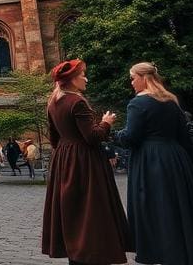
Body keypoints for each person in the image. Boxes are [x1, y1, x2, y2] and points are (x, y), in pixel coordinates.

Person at [113, 62, 193, 265]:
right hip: (176, 159)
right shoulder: (171, 100)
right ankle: (186, 252)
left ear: (144, 78)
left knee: (156, 207)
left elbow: (131, 137)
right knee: (179, 206)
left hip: (151, 161)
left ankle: (164, 252)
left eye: (133, 77)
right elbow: (184, 136)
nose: (132, 82)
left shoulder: (138, 103)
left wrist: (113, 133)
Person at [41, 59, 129, 265]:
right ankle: (94, 252)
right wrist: (106, 123)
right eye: (82, 75)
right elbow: (92, 137)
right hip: (84, 161)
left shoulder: (53, 102)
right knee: (91, 209)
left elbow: (54, 139)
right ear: (72, 79)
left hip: (63, 159)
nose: (86, 78)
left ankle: (75, 253)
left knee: (72, 209)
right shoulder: (77, 102)